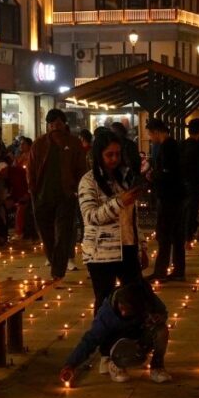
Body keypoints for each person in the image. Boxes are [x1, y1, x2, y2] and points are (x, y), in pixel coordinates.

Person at [78, 131, 148, 310]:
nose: (114, 158)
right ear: (99, 155)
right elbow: (90, 216)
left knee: (135, 299)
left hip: (128, 247)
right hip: (101, 253)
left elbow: (132, 218)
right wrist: (118, 202)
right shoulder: (89, 181)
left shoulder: (123, 178)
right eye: (109, 154)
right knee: (106, 302)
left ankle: (129, 336)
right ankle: (102, 337)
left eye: (117, 154)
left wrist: (142, 246)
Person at [59, 283, 171, 385]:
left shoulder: (148, 299)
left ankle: (157, 367)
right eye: (122, 308)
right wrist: (71, 364)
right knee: (122, 344)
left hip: (139, 333)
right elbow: (90, 339)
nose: (124, 313)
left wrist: (160, 317)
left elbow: (162, 311)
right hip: (116, 341)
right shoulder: (107, 313)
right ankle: (115, 363)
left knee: (161, 330)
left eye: (129, 310)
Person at [29, 109, 87, 281]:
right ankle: (55, 261)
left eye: (58, 124)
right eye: (52, 124)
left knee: (63, 233)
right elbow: (31, 169)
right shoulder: (39, 144)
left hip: (66, 195)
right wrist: (32, 189)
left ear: (64, 124)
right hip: (42, 195)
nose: (55, 127)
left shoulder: (74, 143)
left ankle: (58, 270)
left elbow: (81, 168)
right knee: (46, 233)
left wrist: (78, 189)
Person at [145, 118, 186, 281]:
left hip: (169, 196)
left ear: (156, 131)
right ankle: (178, 269)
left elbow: (169, 173)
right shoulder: (172, 145)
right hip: (175, 195)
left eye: (149, 133)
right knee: (175, 234)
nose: (149, 137)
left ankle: (161, 270)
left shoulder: (168, 147)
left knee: (164, 234)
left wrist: (153, 175)